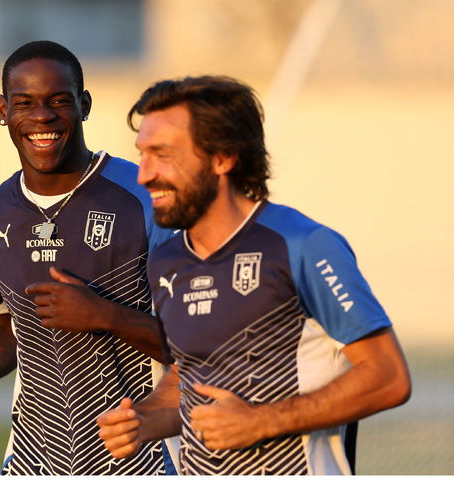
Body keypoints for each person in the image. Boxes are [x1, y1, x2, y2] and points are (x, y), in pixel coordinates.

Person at [96, 75, 411, 475]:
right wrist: (142, 421)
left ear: (223, 158)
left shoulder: (303, 245)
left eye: (163, 154)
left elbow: (388, 376)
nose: (144, 175)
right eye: (143, 154)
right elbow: (188, 376)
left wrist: (262, 422)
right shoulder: (167, 260)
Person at [0, 41, 178, 475]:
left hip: (142, 458)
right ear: (3, 110)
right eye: (24, 103)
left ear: (84, 105)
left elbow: (199, 343)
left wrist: (104, 315)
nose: (42, 117)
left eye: (59, 101)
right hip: (33, 459)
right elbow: (6, 323)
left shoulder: (147, 197)